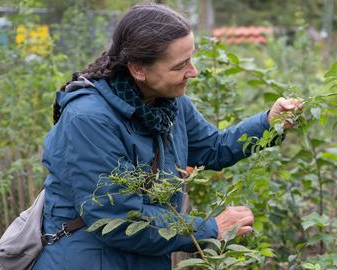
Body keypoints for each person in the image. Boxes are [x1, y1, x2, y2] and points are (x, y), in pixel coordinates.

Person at [33, 3, 302, 270]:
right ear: (139, 69)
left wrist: (268, 123)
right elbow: (116, 218)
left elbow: (211, 148)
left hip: (141, 258)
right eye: (180, 65)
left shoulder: (165, 102)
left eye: (191, 59)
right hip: (89, 260)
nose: (193, 72)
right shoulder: (89, 119)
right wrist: (211, 228)